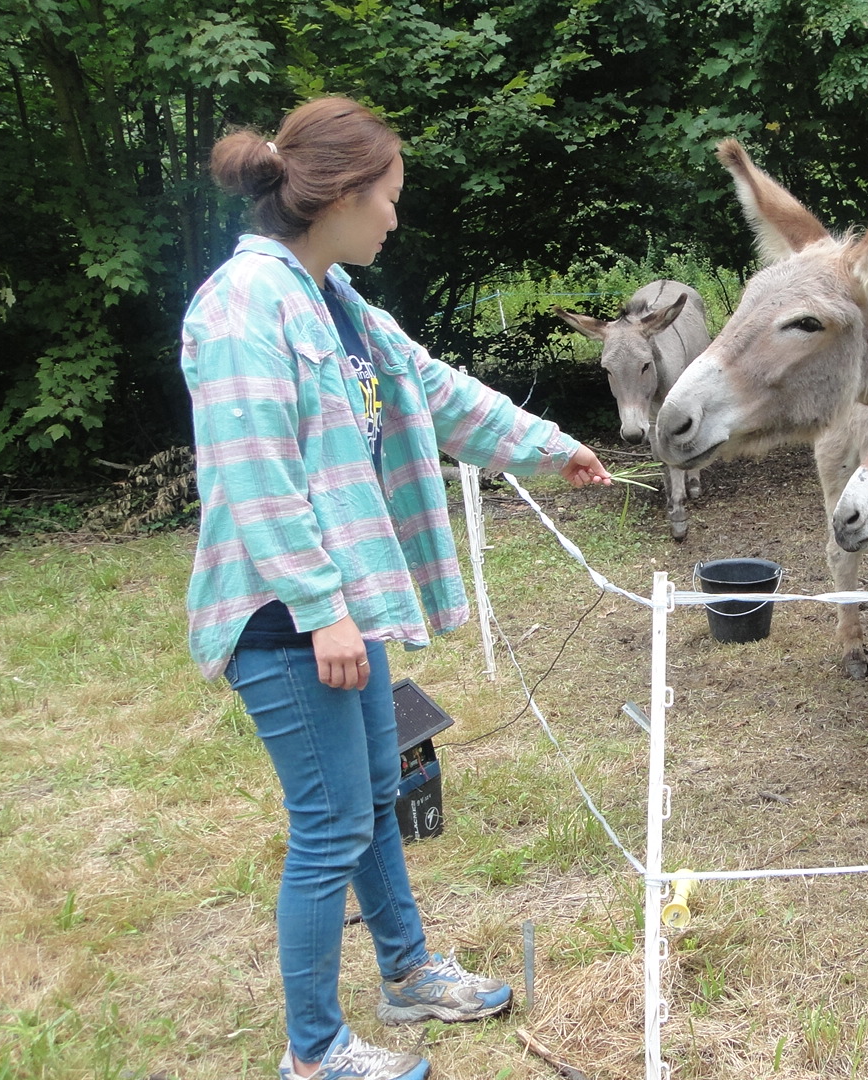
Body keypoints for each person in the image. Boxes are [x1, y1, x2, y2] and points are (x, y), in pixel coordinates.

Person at [182, 96, 611, 1080]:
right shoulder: (246, 302)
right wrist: (322, 608)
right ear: (339, 193)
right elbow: (252, 469)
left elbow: (435, 389)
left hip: (341, 607)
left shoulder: (335, 302)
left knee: (377, 795)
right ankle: (315, 1052)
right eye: (390, 197)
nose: (395, 217)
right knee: (331, 821)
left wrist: (547, 448)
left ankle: (408, 971)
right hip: (287, 617)